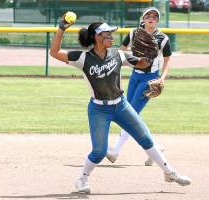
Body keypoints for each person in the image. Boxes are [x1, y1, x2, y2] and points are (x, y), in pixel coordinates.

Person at [50, 16, 191, 194]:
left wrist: (149, 56)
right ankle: (82, 178)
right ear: (97, 37)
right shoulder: (83, 58)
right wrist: (61, 28)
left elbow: (141, 64)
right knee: (99, 152)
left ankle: (170, 172)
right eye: (108, 34)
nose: (112, 37)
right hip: (99, 109)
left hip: (121, 105)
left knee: (145, 138)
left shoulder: (119, 54)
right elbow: (54, 53)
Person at [106, 7, 171, 166]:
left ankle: (115, 150)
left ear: (157, 20)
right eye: (148, 16)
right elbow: (120, 52)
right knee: (131, 114)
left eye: (155, 17)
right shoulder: (133, 33)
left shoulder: (162, 38)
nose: (151, 18)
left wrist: (162, 78)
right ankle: (156, 148)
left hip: (149, 79)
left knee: (130, 114)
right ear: (143, 19)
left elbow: (167, 59)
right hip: (135, 77)